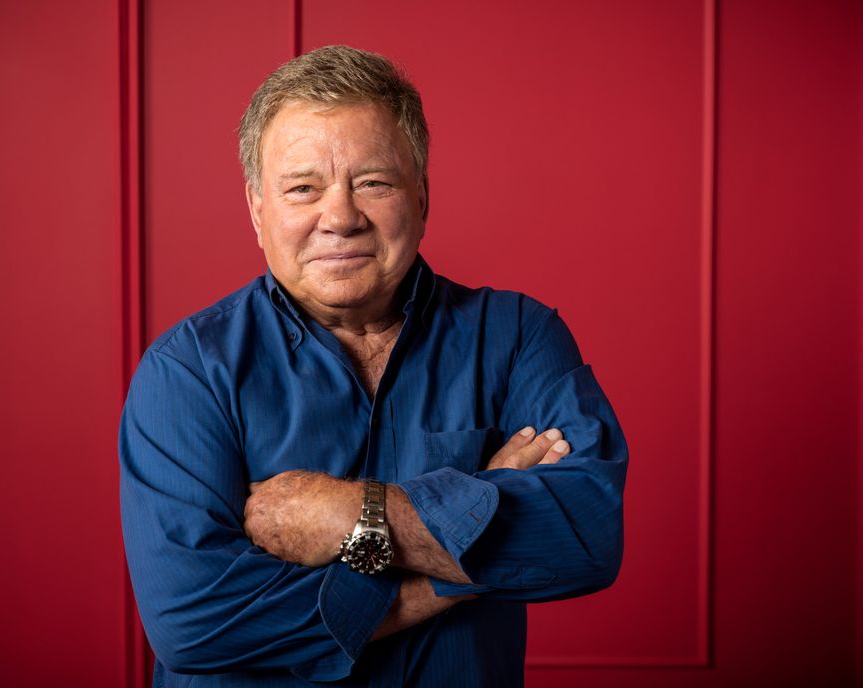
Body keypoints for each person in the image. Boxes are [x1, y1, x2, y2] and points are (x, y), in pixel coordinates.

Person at [119, 45, 628, 687]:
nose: (341, 218)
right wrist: (450, 564)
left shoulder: (520, 337)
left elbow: (585, 536)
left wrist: (350, 513)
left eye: (373, 183)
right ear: (256, 209)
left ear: (421, 194)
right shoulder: (186, 371)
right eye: (303, 188)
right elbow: (194, 622)